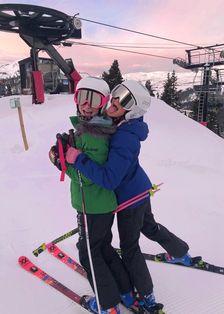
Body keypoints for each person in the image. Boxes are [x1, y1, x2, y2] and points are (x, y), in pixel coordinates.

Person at [66, 80, 169, 313]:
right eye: (116, 95)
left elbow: (108, 178)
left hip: (128, 199)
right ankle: (127, 290)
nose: (114, 103)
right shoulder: (120, 127)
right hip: (131, 193)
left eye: (123, 101)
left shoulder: (125, 136)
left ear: (133, 110)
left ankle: (144, 297)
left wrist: (75, 159)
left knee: (128, 248)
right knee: (115, 244)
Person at [49, 77, 144, 314]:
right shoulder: (97, 127)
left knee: (88, 252)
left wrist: (60, 162)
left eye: (94, 99)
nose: (86, 104)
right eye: (82, 97)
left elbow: (88, 177)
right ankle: (124, 290)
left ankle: (107, 304)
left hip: (91, 204)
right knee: (102, 247)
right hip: (100, 204)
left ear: (102, 103)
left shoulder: (95, 133)